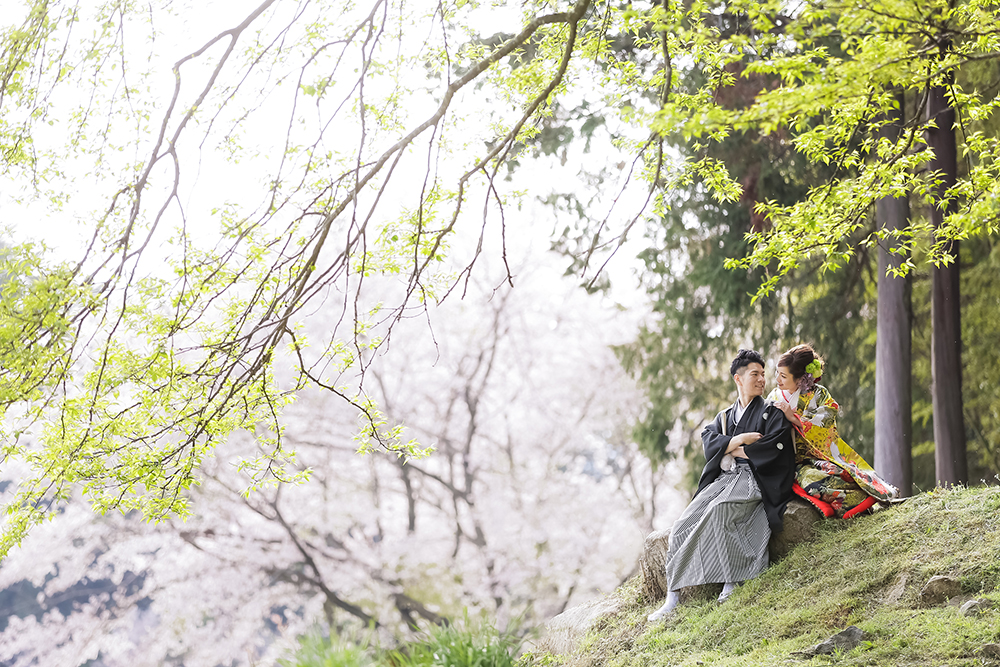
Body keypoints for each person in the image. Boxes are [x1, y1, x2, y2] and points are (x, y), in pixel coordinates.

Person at [647, 349, 796, 622]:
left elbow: (775, 447)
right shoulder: (726, 417)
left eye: (764, 374)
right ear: (738, 379)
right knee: (683, 523)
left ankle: (733, 578)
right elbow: (708, 440)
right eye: (755, 374)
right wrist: (742, 440)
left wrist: (730, 449)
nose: (762, 379)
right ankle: (674, 594)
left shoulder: (771, 412)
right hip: (725, 479)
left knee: (720, 509)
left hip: (754, 479)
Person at [768, 344, 898, 519]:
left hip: (820, 455)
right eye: (777, 373)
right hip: (794, 461)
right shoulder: (773, 397)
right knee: (812, 480)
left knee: (838, 471)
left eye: (783, 376)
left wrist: (793, 418)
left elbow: (828, 416)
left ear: (800, 379)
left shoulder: (819, 395)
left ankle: (869, 496)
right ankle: (856, 501)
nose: (778, 379)